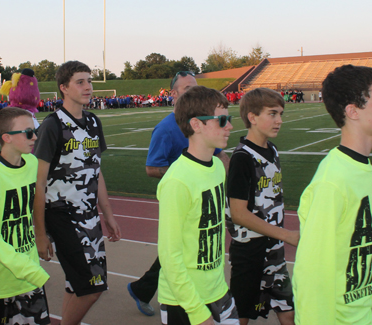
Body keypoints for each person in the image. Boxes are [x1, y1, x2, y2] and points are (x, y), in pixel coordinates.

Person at [292, 65, 372, 324]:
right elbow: (311, 277)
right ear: (353, 111)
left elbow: (371, 254)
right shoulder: (332, 182)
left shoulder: (362, 170)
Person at [127, 71, 230, 317]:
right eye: (186, 89)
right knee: (175, 252)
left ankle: (141, 289)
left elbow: (219, 157)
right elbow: (152, 168)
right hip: (185, 196)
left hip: (214, 285)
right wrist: (187, 174)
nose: (192, 92)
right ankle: (143, 289)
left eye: (195, 87)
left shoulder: (211, 143)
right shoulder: (165, 130)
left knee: (189, 247)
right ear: (173, 94)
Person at [33, 60, 121, 325]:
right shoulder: (52, 125)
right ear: (63, 88)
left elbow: (96, 171)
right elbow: (38, 182)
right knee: (92, 288)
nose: (88, 87)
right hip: (61, 216)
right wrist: (39, 232)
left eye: (90, 81)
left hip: (89, 215)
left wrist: (108, 214)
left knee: (77, 285)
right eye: (80, 82)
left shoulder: (93, 122)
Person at [158, 85, 238, 325]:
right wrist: (196, 311)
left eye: (229, 118)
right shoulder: (177, 181)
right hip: (185, 301)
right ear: (196, 124)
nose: (230, 126)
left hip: (217, 291)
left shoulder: (216, 167)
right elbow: (169, 255)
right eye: (222, 120)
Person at [226, 88, 299, 325]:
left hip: (274, 250)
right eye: (272, 114)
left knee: (288, 312)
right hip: (250, 252)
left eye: (280, 114)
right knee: (241, 316)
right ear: (252, 117)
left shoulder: (272, 150)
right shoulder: (242, 158)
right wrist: (287, 235)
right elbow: (238, 213)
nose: (279, 120)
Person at [0, 107, 50, 325]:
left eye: (34, 130)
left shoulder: (32, 163)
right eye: (28, 132)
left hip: (29, 276)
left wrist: (40, 235)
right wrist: (29, 270)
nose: (35, 136)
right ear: (6, 138)